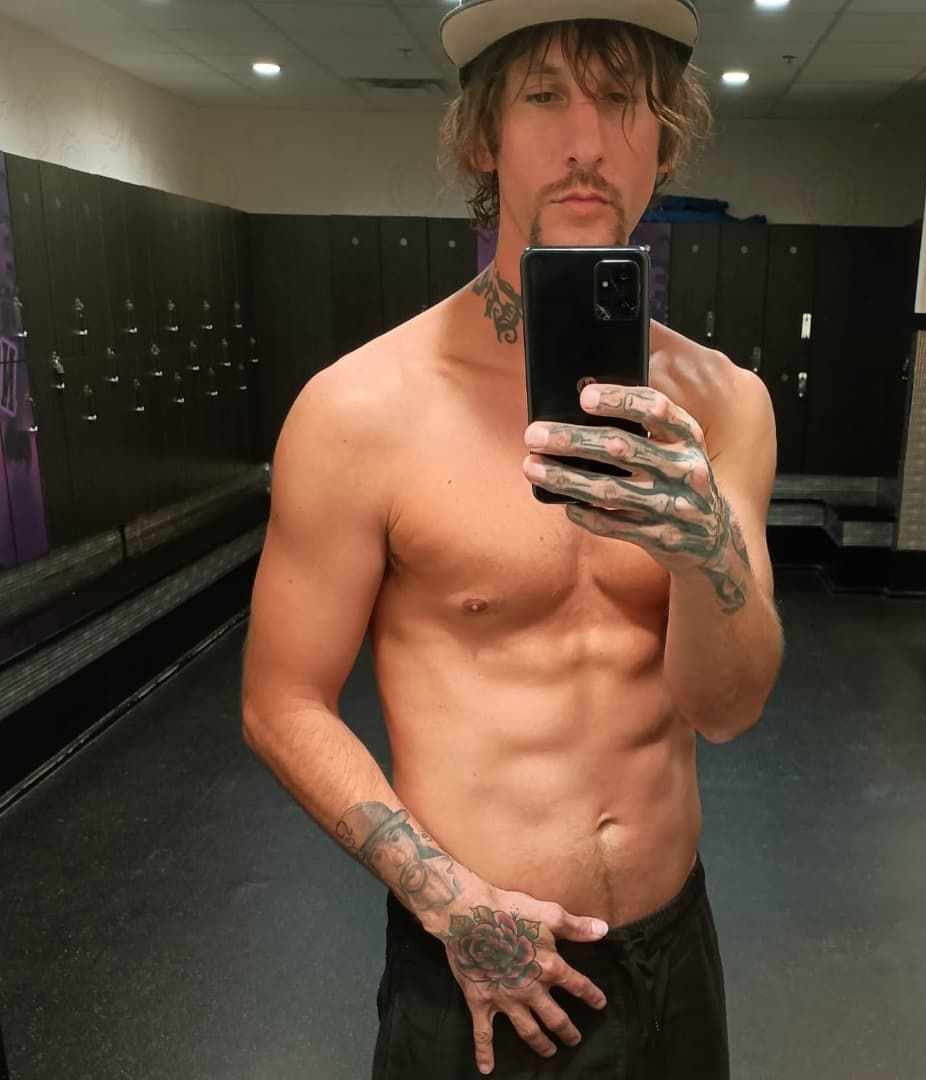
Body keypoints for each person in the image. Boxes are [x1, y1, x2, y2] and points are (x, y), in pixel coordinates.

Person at [240, 0, 784, 1077]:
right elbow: (281, 701)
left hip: (675, 956)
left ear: (664, 139)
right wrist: (450, 903)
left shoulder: (727, 405)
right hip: (477, 966)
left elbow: (727, 710)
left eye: (622, 101)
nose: (586, 141)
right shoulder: (360, 409)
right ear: (484, 136)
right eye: (544, 97)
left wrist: (702, 546)